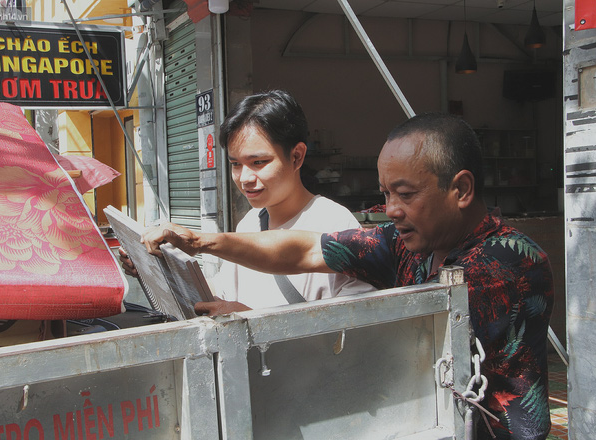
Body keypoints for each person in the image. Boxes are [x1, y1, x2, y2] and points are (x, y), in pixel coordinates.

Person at [140, 113, 554, 439]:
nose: (391, 209)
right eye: (386, 193)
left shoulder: (506, 263)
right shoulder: (404, 242)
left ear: (461, 190)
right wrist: (199, 241)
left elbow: (393, 352)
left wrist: (254, 326)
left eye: (406, 194)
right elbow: (303, 248)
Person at [122, 90, 372, 316]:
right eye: (235, 164)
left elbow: (352, 323)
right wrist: (155, 269)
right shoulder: (251, 222)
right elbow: (222, 293)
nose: (244, 178)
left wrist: (253, 319)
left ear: (296, 157)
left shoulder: (335, 225)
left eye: (259, 162)